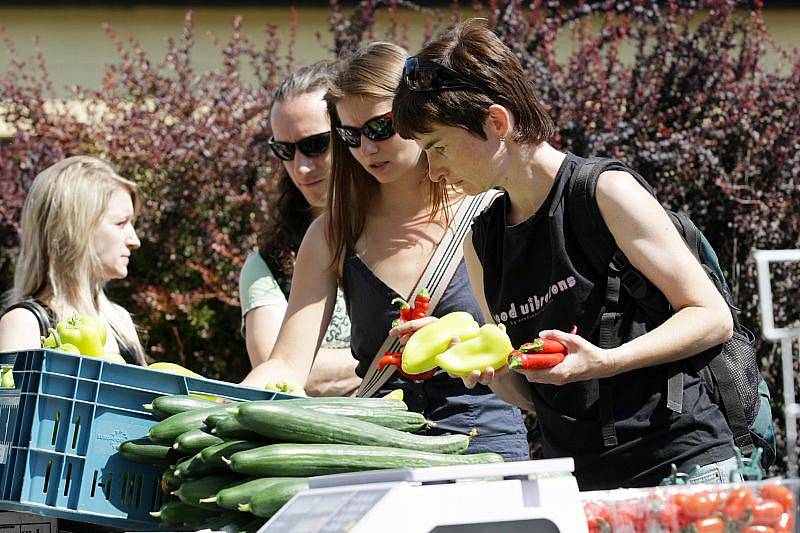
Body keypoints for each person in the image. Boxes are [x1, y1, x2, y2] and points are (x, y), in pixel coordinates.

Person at [391, 19, 739, 489]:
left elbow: (711, 317)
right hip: (578, 483)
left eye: (437, 147)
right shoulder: (480, 240)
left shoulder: (604, 193)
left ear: (497, 123)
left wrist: (607, 361)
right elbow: (534, 395)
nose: (432, 171)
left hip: (683, 469)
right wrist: (489, 372)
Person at [242, 42, 529, 460]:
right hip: (379, 456)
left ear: (417, 114)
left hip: (485, 451)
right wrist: (219, 407)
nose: (366, 149)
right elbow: (285, 365)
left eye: (380, 128)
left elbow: (542, 341)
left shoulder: (493, 211)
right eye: (350, 135)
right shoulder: (332, 233)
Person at [241, 61, 359, 397]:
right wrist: (398, 357)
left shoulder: (398, 232)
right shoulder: (269, 264)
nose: (301, 166)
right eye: (285, 150)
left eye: (316, 144)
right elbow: (280, 372)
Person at [0, 155, 146, 365]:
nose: (134, 241)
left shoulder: (120, 322)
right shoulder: (25, 324)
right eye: (121, 223)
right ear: (77, 229)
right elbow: (11, 398)